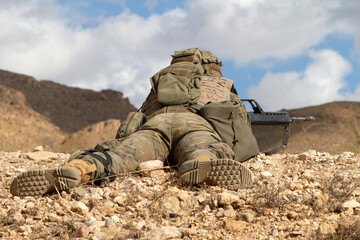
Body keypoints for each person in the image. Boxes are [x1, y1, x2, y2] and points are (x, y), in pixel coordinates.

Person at [10, 48, 259, 197]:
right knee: (201, 146)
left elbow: (142, 115)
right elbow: (235, 120)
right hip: (194, 125)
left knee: (122, 155)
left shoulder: (161, 84)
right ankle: (202, 163)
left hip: (156, 126)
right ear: (211, 67)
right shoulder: (216, 83)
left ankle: (81, 168)